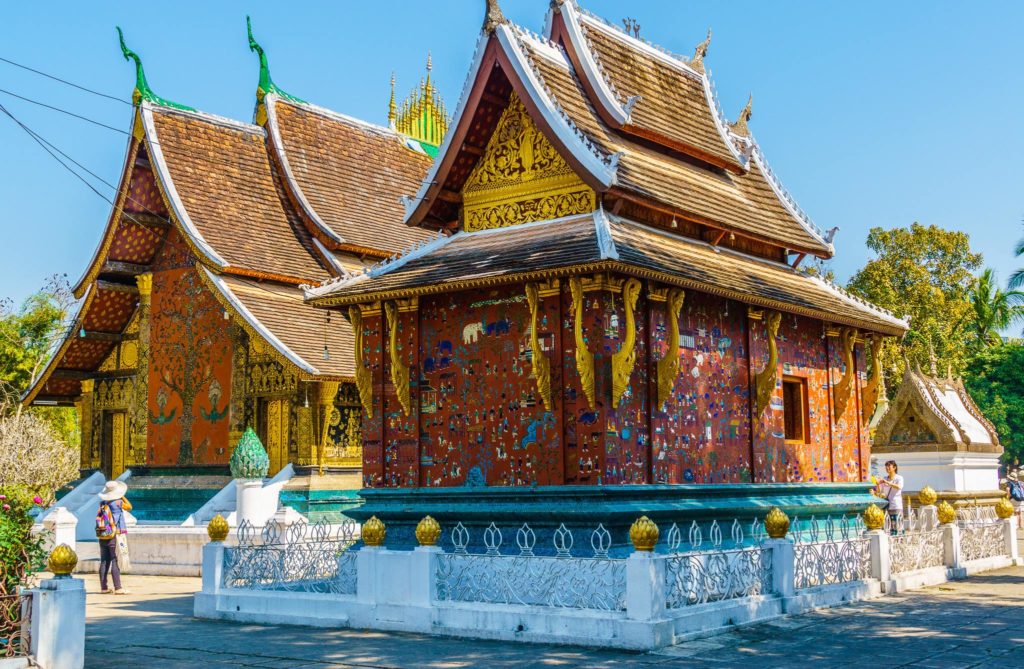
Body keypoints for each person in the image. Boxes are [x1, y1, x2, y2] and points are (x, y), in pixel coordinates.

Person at [96, 480, 132, 594]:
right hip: (114, 535)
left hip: (103, 534)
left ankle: (104, 587)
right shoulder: (118, 502)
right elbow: (130, 507)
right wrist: (122, 496)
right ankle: (118, 587)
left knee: (104, 561)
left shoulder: (102, 503)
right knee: (114, 560)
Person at [877, 460, 904, 535]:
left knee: (897, 523)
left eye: (889, 466)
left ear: (894, 467)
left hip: (896, 504)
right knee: (887, 524)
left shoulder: (899, 478)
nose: (887, 468)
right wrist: (878, 484)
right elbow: (880, 491)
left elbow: (899, 487)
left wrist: (887, 482)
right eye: (886, 466)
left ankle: (899, 539)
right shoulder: (885, 478)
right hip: (887, 504)